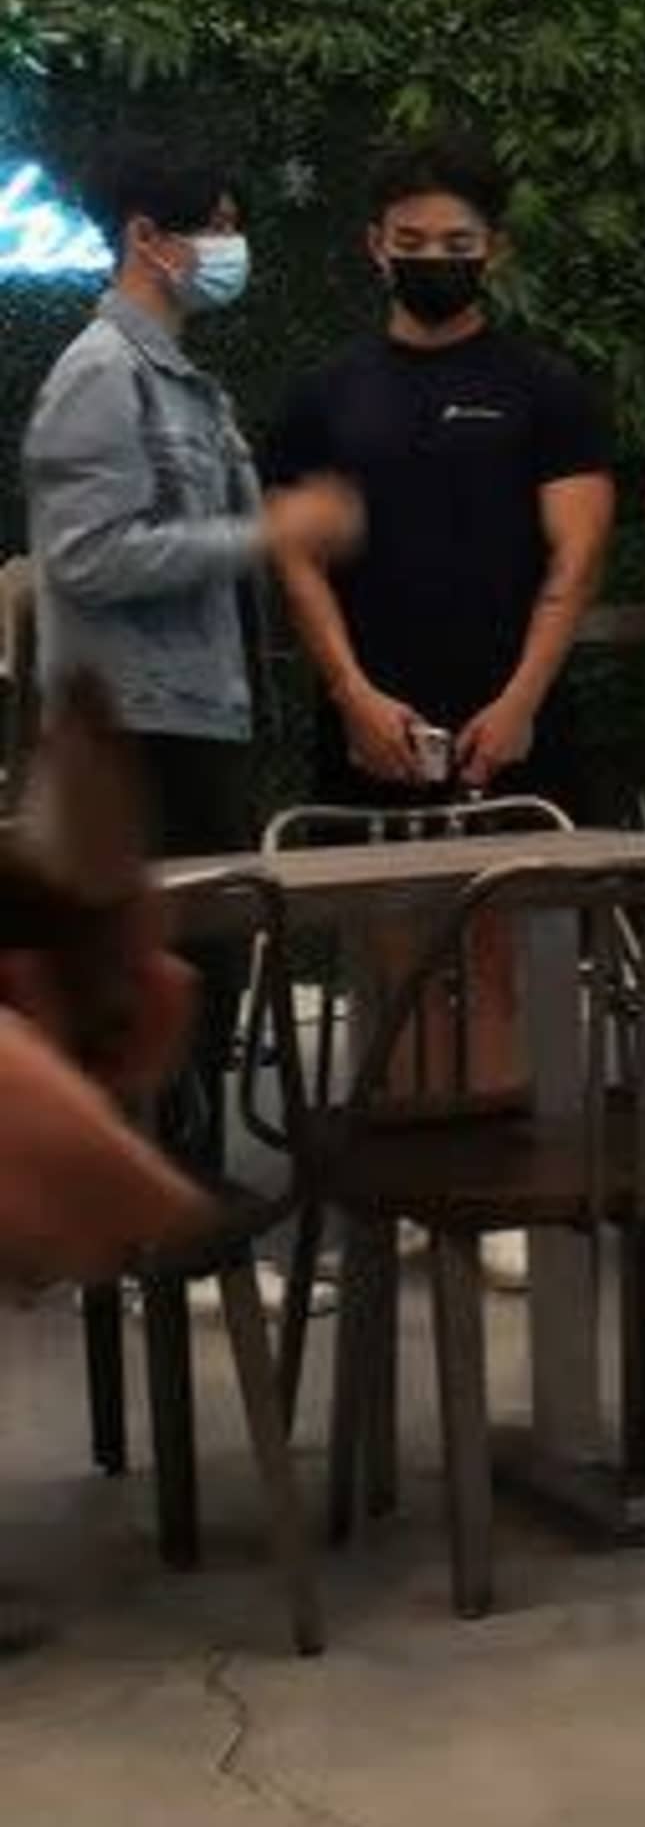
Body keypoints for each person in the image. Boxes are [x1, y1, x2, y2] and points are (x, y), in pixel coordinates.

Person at [16, 138, 360, 1173]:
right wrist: (267, 533)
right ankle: (157, 1245)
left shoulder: (181, 382)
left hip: (193, 708)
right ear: (146, 238)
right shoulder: (100, 375)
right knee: (148, 984)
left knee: (198, 973)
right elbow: (85, 557)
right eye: (211, 224)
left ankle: (183, 1216)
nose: (229, 245)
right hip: (129, 723)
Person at [265, 134, 615, 802]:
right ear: (376, 245)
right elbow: (296, 561)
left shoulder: (547, 389)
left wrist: (521, 702)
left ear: (495, 248)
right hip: (367, 738)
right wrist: (352, 695)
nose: (433, 259)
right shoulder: (322, 395)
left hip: (517, 735)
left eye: (457, 245)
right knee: (376, 904)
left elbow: (579, 558)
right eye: (412, 240)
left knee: (520, 898)